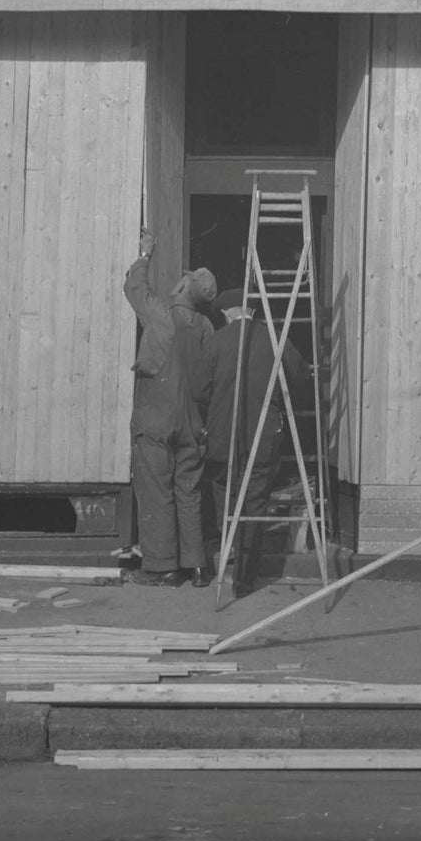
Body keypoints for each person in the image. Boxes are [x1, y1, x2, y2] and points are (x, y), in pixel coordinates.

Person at [194, 287, 310, 597]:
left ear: (226, 313)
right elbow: (299, 379)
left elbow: (199, 390)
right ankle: (245, 578)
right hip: (263, 437)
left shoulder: (215, 343)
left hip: (222, 439)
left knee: (225, 493)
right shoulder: (275, 338)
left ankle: (227, 544)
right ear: (253, 311)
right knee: (255, 502)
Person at [122, 230, 217, 587]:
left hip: (157, 420)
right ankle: (196, 567)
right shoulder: (207, 328)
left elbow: (135, 290)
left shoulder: (162, 318)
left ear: (181, 289)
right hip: (192, 423)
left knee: (157, 490)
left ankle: (162, 567)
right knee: (188, 493)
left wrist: (146, 254)